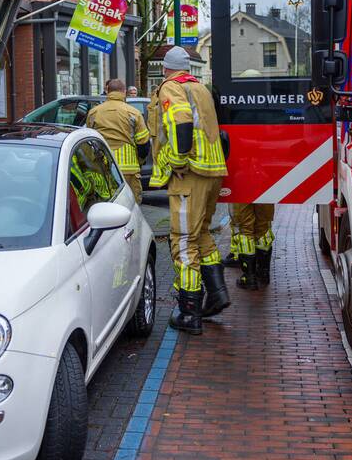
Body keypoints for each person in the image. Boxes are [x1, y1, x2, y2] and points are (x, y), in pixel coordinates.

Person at [148, 47, 229, 335]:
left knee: (183, 241)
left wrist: (178, 160)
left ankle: (189, 312)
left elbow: (180, 122)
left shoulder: (171, 87)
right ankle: (217, 294)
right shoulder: (201, 88)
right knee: (201, 234)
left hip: (190, 173)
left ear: (165, 68)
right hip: (212, 170)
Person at [86, 79, 150, 204]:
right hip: (129, 171)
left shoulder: (94, 112)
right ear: (124, 92)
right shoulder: (134, 113)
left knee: (106, 206)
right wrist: (140, 161)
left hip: (102, 169)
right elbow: (143, 143)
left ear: (107, 91)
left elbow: (89, 141)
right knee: (130, 206)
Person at [227, 203, 276, 289]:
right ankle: (263, 274)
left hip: (242, 195)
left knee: (245, 229)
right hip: (265, 195)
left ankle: (249, 278)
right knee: (263, 227)